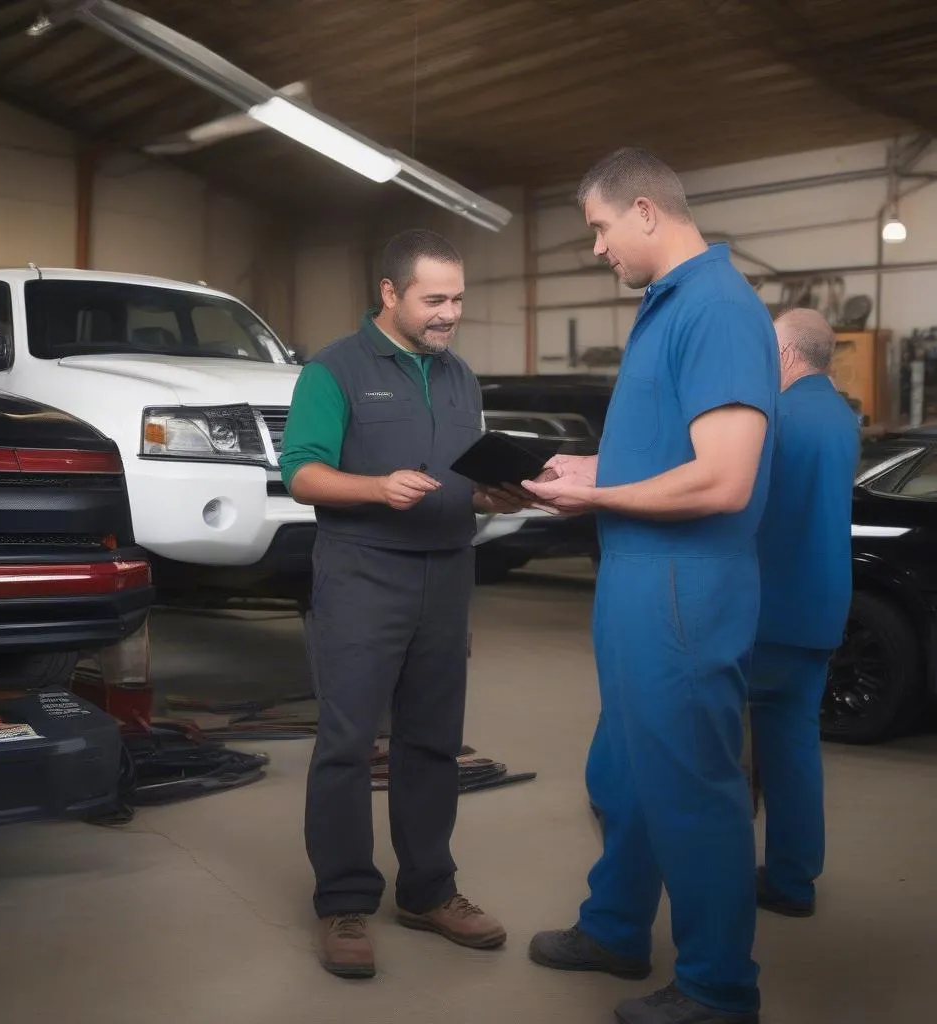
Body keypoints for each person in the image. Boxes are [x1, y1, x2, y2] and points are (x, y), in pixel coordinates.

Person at [523, 147, 779, 1024]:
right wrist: (586, 467)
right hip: (638, 575)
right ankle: (616, 928)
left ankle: (717, 988)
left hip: (682, 585)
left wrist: (595, 493)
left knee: (693, 787)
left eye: (597, 228)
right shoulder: (667, 309)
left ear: (642, 210)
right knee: (627, 771)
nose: (597, 248)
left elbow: (724, 478)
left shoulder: (716, 307)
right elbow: (668, 454)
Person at [279, 228, 524, 980]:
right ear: (389, 293)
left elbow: (464, 479)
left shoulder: (461, 378)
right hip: (362, 575)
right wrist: (376, 488)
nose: (450, 313)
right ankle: (344, 901)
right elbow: (301, 475)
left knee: (431, 741)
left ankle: (429, 890)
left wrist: (496, 494)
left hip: (447, 574)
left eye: (457, 298)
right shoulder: (334, 370)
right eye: (435, 299)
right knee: (349, 744)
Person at [750, 308, 860, 919]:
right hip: (821, 608)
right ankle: (794, 881)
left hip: (769, 608)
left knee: (707, 744)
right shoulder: (841, 416)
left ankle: (706, 875)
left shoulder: (776, 418)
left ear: (787, 354)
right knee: (792, 745)